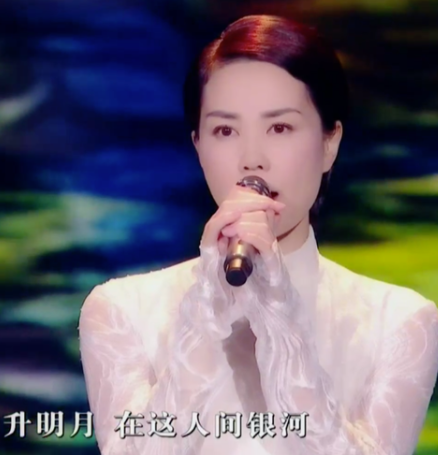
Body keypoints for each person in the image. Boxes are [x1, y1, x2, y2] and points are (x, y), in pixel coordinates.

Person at [78, 14, 438, 455]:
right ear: (198, 147)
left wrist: (280, 317)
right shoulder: (122, 311)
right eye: (225, 130)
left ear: (330, 143)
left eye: (280, 127)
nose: (252, 159)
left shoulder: (398, 321)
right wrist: (205, 312)